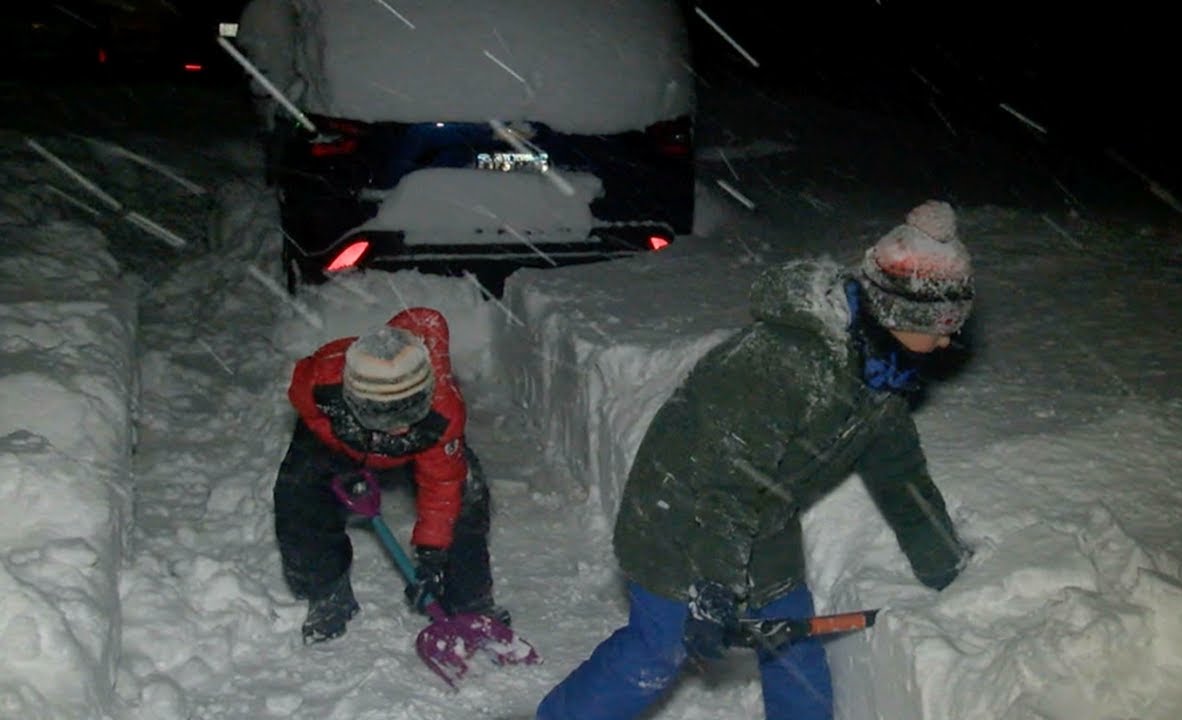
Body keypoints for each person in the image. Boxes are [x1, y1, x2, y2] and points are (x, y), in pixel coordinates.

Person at [536, 200, 976, 720]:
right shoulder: (784, 362)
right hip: (679, 512)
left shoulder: (881, 377)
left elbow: (900, 474)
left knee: (791, 639)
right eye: (941, 324)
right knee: (659, 647)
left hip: (763, 516)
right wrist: (715, 586)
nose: (949, 337)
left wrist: (948, 569)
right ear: (899, 313)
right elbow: (729, 482)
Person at [273, 307, 507, 644]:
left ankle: (470, 603)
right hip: (338, 438)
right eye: (385, 417)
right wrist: (341, 452)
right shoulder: (319, 385)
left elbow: (442, 487)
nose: (399, 428)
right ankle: (327, 593)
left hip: (422, 445)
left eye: (410, 412)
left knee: (464, 500)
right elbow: (310, 418)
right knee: (298, 497)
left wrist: (431, 555)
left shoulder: (441, 415)